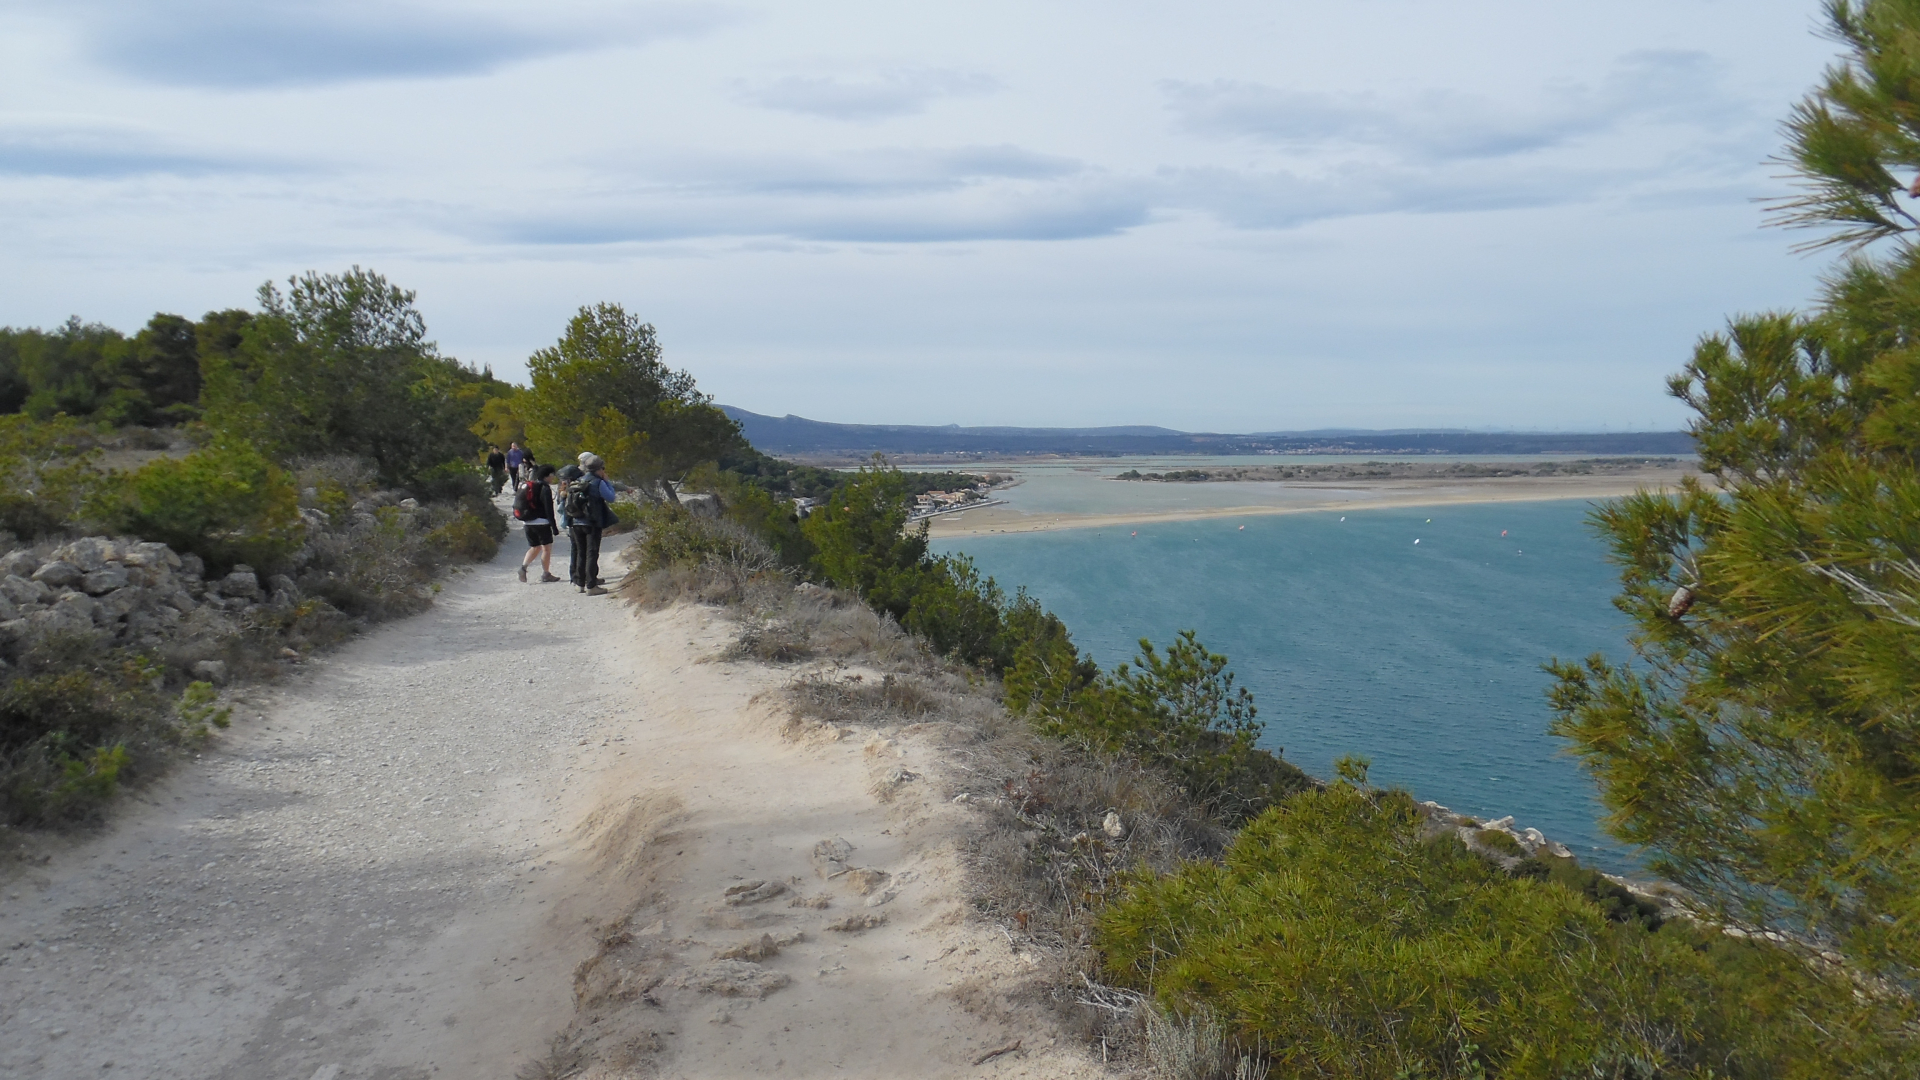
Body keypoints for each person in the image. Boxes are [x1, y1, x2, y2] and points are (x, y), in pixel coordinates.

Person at [562, 455, 618, 595]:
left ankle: (579, 584)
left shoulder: (578, 481)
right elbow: (611, 497)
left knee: (581, 553)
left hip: (576, 521)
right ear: (599, 469)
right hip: (592, 522)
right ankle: (591, 586)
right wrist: (607, 482)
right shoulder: (598, 482)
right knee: (592, 553)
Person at [514, 464, 561, 583]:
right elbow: (549, 509)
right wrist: (554, 527)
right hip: (542, 523)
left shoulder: (530, 486)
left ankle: (523, 568)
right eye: (552, 475)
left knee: (535, 547)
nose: (553, 478)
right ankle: (546, 573)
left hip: (527, 522)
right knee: (546, 548)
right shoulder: (544, 488)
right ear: (547, 476)